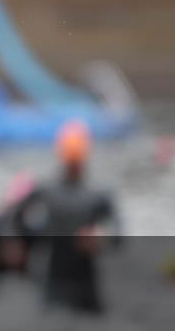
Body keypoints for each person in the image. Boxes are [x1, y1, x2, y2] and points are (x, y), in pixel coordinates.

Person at [9, 121, 121, 315]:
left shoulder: (98, 195)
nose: (73, 165)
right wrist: (19, 244)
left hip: (83, 282)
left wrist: (101, 238)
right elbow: (13, 219)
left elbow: (118, 235)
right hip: (56, 279)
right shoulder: (47, 191)